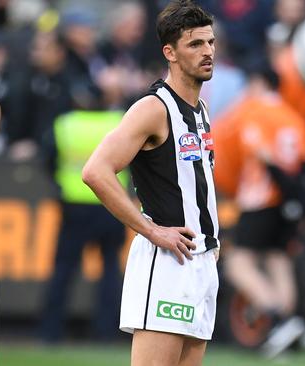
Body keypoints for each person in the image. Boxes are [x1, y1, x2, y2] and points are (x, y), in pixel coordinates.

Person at [82, 1, 219, 365]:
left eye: (210, 42)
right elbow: (95, 171)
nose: (207, 52)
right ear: (169, 52)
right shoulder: (153, 108)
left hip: (201, 261)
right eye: (195, 44)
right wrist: (152, 231)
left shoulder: (201, 110)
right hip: (168, 261)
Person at [213, 58, 305, 357]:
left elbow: (261, 153)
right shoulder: (293, 117)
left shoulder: (254, 112)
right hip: (288, 202)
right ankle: (289, 324)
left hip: (261, 199)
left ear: (259, 83)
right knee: (278, 260)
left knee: (236, 264)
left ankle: (277, 317)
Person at [38, 110, 129, 342]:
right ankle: (107, 332)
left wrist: (59, 187)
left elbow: (47, 161)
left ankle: (50, 331)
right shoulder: (120, 120)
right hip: (111, 204)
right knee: (110, 270)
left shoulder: (66, 123)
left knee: (64, 270)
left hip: (74, 205)